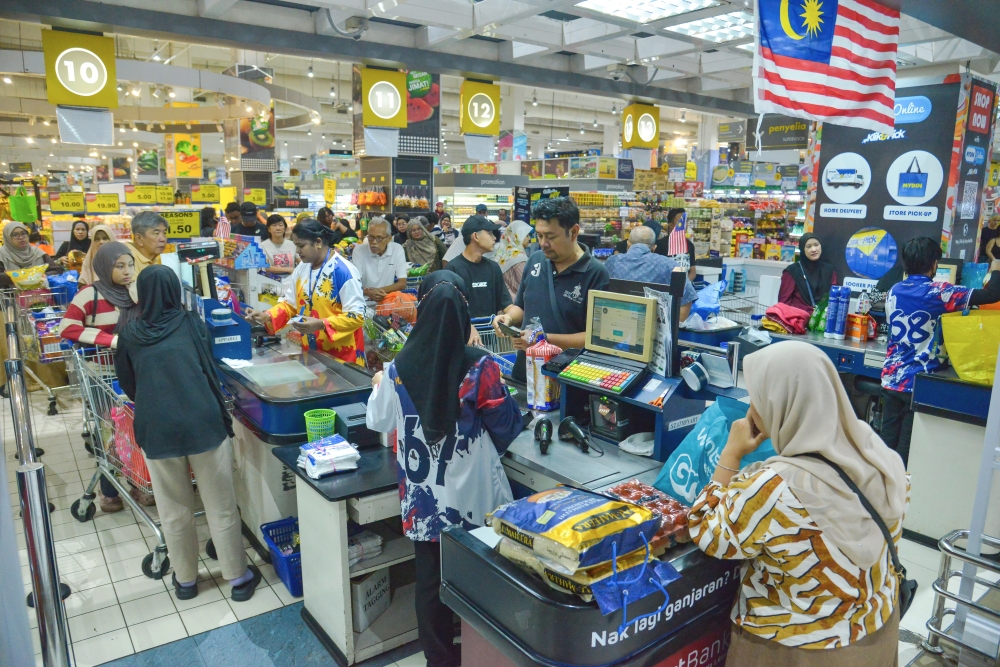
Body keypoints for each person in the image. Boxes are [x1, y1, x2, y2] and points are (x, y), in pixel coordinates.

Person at [689, 341, 908, 666]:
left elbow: (708, 532)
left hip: (795, 648)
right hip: (874, 634)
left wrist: (731, 452)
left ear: (784, 404)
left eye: (759, 397)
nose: (753, 404)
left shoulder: (775, 486)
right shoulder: (877, 454)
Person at [366, 271, 521, 667]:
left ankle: (440, 659)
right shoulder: (480, 367)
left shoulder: (399, 367)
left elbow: (379, 422)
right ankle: (482, 654)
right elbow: (505, 428)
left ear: (420, 308)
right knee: (480, 581)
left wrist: (378, 383)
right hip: (474, 502)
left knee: (430, 585)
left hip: (424, 502)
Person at [115, 265, 262, 603]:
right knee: (221, 505)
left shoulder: (130, 333)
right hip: (203, 423)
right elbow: (209, 366)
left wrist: (156, 400)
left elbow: (128, 383)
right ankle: (238, 579)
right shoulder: (191, 323)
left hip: (157, 429)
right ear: (173, 290)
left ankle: (185, 582)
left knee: (174, 510)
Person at [881, 237, 1000, 465]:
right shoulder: (938, 292)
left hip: (891, 378)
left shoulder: (895, 289)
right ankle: (897, 496)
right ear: (934, 264)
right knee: (906, 451)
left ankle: (873, 491)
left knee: (885, 444)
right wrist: (996, 270)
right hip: (917, 383)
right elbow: (992, 295)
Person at [58, 243, 138, 513]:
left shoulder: (136, 293)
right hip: (101, 373)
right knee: (109, 432)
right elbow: (67, 328)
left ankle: (139, 481)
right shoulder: (88, 295)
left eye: (130, 264)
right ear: (105, 266)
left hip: (134, 371)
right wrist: (112, 340)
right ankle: (109, 491)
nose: (128, 271)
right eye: (120, 266)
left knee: (136, 430)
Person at [493, 197, 610, 382]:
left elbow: (595, 337)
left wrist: (543, 339)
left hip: (567, 377)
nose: (543, 243)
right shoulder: (535, 260)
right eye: (539, 235)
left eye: (551, 236)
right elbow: (522, 306)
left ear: (573, 232)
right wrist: (509, 318)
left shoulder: (596, 273)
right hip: (526, 372)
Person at [245, 219, 366, 365]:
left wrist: (322, 324)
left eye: (301, 246)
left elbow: (357, 316)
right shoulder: (303, 267)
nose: (297, 251)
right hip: (312, 354)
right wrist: (267, 316)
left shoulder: (343, 271)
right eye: (296, 246)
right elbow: (290, 304)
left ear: (318, 242)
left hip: (344, 357)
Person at [445, 215, 516, 344]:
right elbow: (450, 312)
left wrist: (509, 317)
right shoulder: (453, 269)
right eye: (489, 233)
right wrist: (469, 327)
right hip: (462, 341)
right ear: (475, 236)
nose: (495, 238)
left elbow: (507, 305)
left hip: (490, 341)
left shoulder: (493, 268)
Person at [605, 225, 698, 321]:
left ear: (628, 245)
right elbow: (687, 298)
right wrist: (672, 329)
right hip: (654, 329)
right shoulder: (670, 265)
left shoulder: (611, 262)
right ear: (654, 248)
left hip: (615, 322)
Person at [350, 217, 407, 302]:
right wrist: (368, 292)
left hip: (387, 301)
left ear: (389, 239)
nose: (374, 242)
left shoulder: (397, 249)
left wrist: (376, 292)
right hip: (364, 301)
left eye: (379, 238)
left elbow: (402, 283)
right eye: (371, 237)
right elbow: (355, 283)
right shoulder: (359, 251)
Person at [778, 233, 838, 315]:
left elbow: (833, 298)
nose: (814, 249)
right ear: (802, 249)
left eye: (816, 245)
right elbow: (783, 303)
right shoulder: (792, 271)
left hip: (822, 321)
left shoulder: (829, 270)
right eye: (808, 246)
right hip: (798, 320)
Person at [492, 220, 533, 301]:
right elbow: (528, 286)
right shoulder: (519, 257)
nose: (529, 238)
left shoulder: (503, 253)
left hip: (504, 305)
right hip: (518, 307)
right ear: (517, 236)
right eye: (526, 235)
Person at [124, 212, 168, 276]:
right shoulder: (127, 260)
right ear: (139, 239)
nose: (163, 239)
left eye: (164, 233)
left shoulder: (155, 258)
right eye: (156, 233)